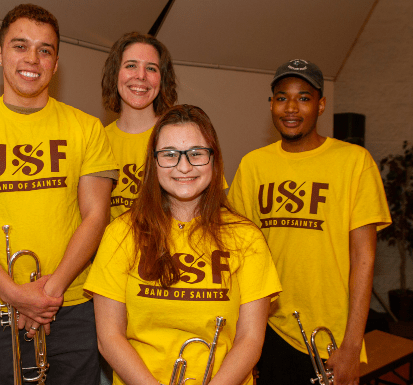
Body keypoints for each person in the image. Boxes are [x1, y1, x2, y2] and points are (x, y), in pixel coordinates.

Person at [0, 4, 118, 385]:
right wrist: (15, 293)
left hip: (73, 304)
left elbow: (96, 216)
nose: (32, 59)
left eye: (45, 50)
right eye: (20, 46)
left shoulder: (88, 129)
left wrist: (48, 294)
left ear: (56, 63)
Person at [84, 104, 281, 385]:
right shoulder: (120, 233)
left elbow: (250, 340)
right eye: (170, 155)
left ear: (214, 160)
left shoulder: (247, 238)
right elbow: (109, 338)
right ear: (154, 162)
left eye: (196, 154)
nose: (184, 166)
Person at [228, 59, 392, 385]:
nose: (291, 107)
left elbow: (364, 258)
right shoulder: (252, 165)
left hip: (330, 334)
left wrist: (352, 344)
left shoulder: (354, 162)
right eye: (281, 97)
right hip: (266, 327)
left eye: (303, 97)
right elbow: (238, 255)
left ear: (321, 105)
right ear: (271, 104)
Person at [101, 32, 177, 221]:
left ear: (162, 78)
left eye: (151, 68)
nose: (141, 76)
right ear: (115, 73)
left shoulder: (181, 137)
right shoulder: (97, 139)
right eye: (131, 66)